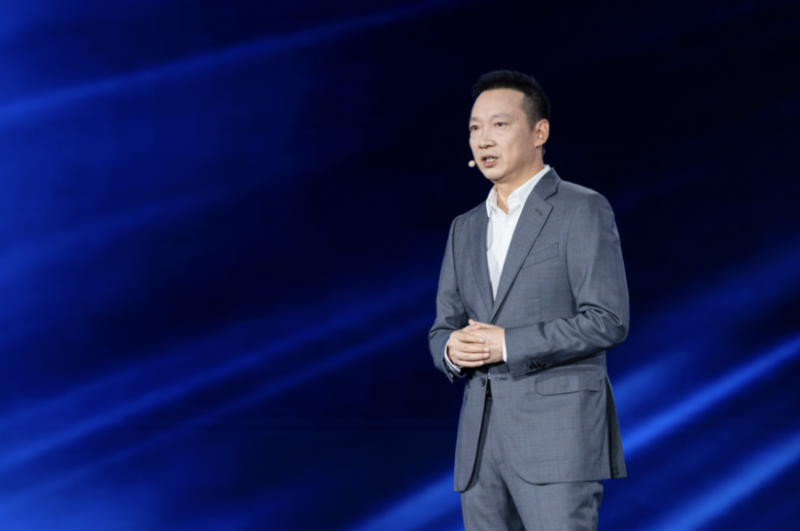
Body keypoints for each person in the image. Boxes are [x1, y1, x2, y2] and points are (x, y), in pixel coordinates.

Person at [428, 70, 629, 531]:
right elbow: (443, 327)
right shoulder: (465, 227)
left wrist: (508, 344)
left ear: (540, 132)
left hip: (557, 442)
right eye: (475, 128)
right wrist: (450, 350)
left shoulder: (581, 208)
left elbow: (608, 319)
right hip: (480, 447)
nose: (483, 139)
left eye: (499, 124)